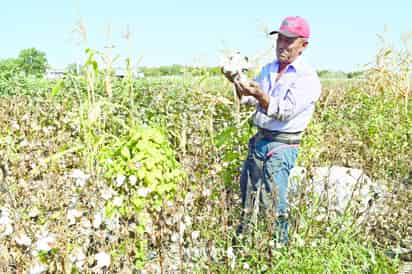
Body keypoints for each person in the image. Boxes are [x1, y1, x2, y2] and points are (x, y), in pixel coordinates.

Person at [222, 16, 321, 245]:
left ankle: (278, 249)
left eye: (289, 41)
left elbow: (283, 111)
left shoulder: (307, 77)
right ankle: (245, 244)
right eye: (280, 40)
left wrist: (259, 95)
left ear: (303, 45)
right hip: (260, 140)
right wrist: (237, 81)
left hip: (282, 144)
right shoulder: (269, 69)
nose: (282, 45)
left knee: (274, 201)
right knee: (248, 194)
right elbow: (248, 100)